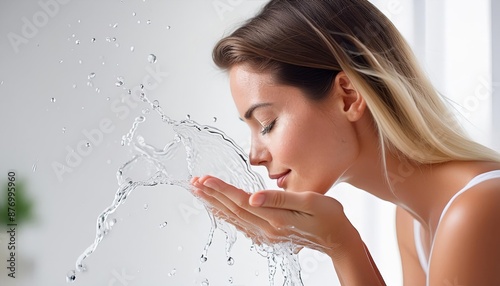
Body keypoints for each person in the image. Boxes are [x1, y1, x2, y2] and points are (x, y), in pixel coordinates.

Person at [191, 0, 500, 285]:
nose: (254, 156)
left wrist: (341, 244)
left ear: (348, 96)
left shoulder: (476, 209)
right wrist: (339, 243)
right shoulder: (412, 218)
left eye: (267, 124)